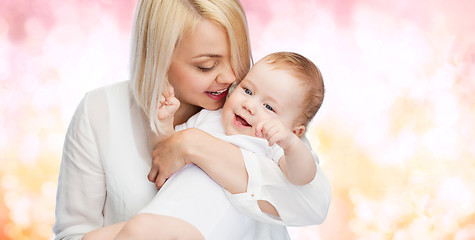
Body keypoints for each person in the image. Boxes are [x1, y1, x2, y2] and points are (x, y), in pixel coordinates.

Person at [53, 0, 331, 239]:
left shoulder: (270, 122)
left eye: (238, 57)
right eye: (206, 66)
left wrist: (194, 145)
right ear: (157, 57)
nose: (231, 77)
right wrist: (167, 129)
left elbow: (312, 202)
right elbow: (164, 153)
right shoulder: (100, 111)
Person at [84, 51, 325, 240]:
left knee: (140, 228)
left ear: (296, 131)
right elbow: (166, 154)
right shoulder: (209, 119)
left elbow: (302, 177)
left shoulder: (272, 145)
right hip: (164, 212)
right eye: (248, 90)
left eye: (269, 107)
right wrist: (163, 124)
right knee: (93, 237)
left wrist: (291, 144)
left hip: (198, 227)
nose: (250, 105)